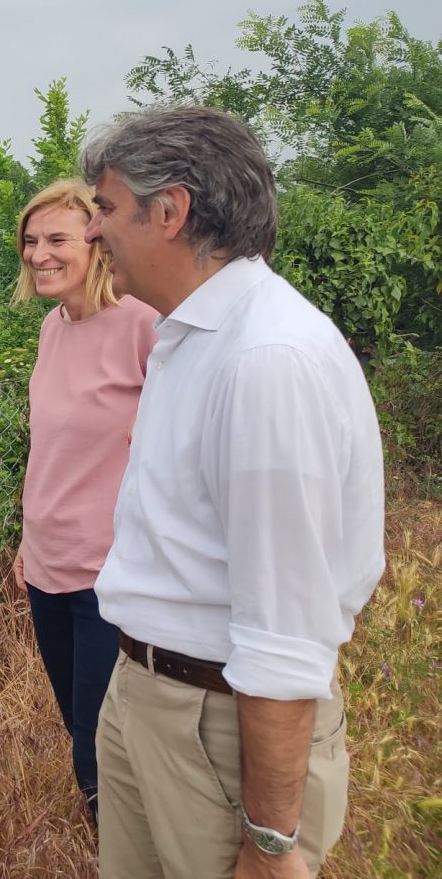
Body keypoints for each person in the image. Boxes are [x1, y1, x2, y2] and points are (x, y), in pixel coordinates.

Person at [80, 107, 385, 878]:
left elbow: (285, 632)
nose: (92, 234)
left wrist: (272, 840)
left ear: (172, 211)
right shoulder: (192, 338)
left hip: (214, 726)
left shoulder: (267, 360)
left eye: (107, 208)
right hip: (151, 697)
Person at [10, 178, 157, 823]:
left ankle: (131, 853)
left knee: (102, 754)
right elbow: (49, 450)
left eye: (58, 239)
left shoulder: (144, 326)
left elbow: (174, 455)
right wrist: (26, 540)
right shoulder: (53, 327)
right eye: (31, 240)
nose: (40, 253)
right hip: (47, 567)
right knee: (79, 726)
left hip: (111, 576)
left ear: (96, 245)